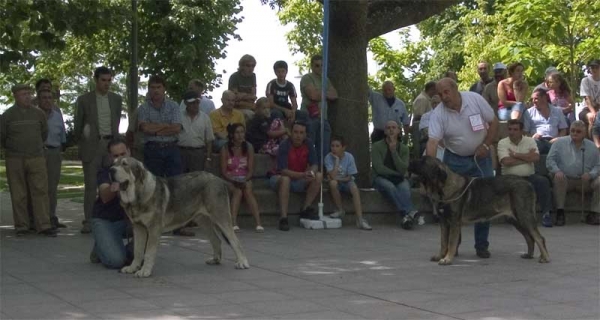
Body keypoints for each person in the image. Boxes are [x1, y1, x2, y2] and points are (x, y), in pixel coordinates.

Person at [426, 78, 499, 259]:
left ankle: (481, 245)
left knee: (485, 201)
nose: (443, 97)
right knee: (450, 205)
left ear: (455, 89)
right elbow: (433, 142)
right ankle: (453, 248)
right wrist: (429, 167)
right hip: (455, 160)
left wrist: (486, 145)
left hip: (480, 158)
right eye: (440, 94)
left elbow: (494, 122)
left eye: (446, 92)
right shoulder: (438, 113)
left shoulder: (474, 99)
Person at [138, 75, 193, 237]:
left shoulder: (174, 106)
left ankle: (179, 225)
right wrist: (163, 127)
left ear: (164, 89)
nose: (155, 91)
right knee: (152, 187)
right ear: (149, 89)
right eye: (152, 87)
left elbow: (176, 128)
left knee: (177, 187)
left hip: (171, 149)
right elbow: (145, 129)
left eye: (158, 87)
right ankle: (151, 224)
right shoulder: (143, 108)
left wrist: (156, 128)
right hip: (152, 149)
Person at [1, 84, 56, 237]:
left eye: (28, 93)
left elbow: (44, 133)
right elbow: (3, 137)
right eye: (23, 94)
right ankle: (22, 226)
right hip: (15, 159)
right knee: (19, 194)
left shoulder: (39, 114)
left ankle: (43, 225)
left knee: (40, 191)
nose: (27, 97)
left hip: (36, 157)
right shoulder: (7, 116)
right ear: (15, 96)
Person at [73, 66, 123, 234]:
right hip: (92, 146)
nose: (106, 84)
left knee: (114, 183)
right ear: (96, 80)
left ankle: (112, 218)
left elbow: (116, 122)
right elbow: (77, 126)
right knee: (91, 186)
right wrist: (83, 138)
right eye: (103, 80)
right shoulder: (84, 100)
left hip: (111, 146)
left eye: (109, 80)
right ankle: (88, 221)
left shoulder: (116, 99)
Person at [497, 120, 553, 227]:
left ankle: (547, 214)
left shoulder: (530, 141)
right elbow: (506, 162)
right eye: (510, 129)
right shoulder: (502, 143)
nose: (512, 132)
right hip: (510, 178)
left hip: (529, 176)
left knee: (543, 181)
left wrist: (515, 154)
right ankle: (511, 215)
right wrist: (527, 158)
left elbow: (536, 158)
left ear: (521, 131)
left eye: (515, 130)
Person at [269, 121, 323, 231]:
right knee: (285, 180)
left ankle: (305, 209)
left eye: (301, 133)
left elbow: (314, 165)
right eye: (296, 132)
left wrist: (311, 173)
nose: (298, 135)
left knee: (318, 176)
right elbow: (283, 170)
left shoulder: (308, 144)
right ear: (291, 133)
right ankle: (283, 217)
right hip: (279, 177)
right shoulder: (285, 145)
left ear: (305, 134)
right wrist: (303, 174)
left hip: (299, 178)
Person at [89, 138, 133, 268]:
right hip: (105, 220)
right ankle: (101, 247)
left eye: (123, 154)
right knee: (116, 261)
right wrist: (118, 181)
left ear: (129, 152)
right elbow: (105, 196)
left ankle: (107, 245)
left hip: (129, 221)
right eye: (116, 156)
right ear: (110, 157)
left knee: (142, 249)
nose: (120, 158)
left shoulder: (138, 170)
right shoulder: (105, 172)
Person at [547, 120, 600, 225]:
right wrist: (557, 170)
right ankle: (560, 212)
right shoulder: (559, 143)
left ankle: (594, 213)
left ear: (584, 133)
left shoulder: (592, 146)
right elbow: (550, 160)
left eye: (578, 131)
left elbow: (598, 165)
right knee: (558, 177)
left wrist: (591, 174)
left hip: (584, 181)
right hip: (565, 179)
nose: (575, 133)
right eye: (572, 131)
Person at [372, 120, 422, 230]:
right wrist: (397, 173)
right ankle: (408, 212)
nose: (391, 130)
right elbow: (379, 168)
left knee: (405, 188)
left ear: (398, 131)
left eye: (394, 127)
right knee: (390, 187)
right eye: (388, 128)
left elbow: (403, 168)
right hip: (381, 178)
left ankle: (405, 218)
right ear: (385, 131)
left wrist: (394, 151)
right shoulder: (376, 146)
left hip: (398, 178)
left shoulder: (404, 148)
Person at [220, 123, 263, 232]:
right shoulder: (225, 148)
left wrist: (244, 179)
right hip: (230, 178)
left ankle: (258, 223)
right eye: (237, 132)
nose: (240, 135)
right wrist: (233, 179)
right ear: (232, 135)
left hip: (245, 177)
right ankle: (233, 223)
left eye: (242, 132)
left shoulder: (248, 147)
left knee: (247, 190)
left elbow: (250, 170)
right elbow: (224, 171)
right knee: (237, 191)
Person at [325, 136, 372, 230]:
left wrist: (336, 178)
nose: (334, 148)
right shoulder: (328, 157)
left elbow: (349, 177)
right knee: (333, 183)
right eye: (332, 146)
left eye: (337, 146)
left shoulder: (349, 157)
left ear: (343, 147)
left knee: (354, 188)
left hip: (346, 182)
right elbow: (332, 176)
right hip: (336, 182)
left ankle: (360, 219)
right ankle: (340, 210)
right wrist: (337, 162)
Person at [38, 88, 67, 229]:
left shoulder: (57, 115)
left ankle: (51, 217)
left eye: (50, 98)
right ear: (38, 100)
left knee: (52, 188)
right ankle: (38, 219)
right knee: (38, 187)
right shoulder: (34, 115)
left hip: (54, 152)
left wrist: (60, 152)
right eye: (44, 98)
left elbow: (62, 136)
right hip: (38, 154)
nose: (47, 100)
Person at [300, 55, 338, 161]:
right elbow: (313, 95)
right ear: (312, 65)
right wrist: (326, 94)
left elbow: (335, 95)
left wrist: (320, 93)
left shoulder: (326, 79)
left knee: (324, 148)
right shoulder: (307, 78)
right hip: (310, 117)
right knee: (309, 145)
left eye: (322, 65)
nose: (320, 68)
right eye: (317, 65)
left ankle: (322, 172)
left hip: (323, 118)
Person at [178, 91, 214, 173]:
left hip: (198, 153)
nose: (195, 105)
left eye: (197, 102)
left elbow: (209, 140)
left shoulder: (205, 118)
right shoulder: (178, 116)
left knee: (196, 181)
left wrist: (208, 158)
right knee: (179, 180)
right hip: (181, 152)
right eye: (192, 103)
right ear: (186, 103)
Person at [526, 88, 568, 154]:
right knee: (536, 145)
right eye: (532, 99)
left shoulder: (557, 111)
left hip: (554, 140)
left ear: (544, 98)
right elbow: (525, 132)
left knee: (562, 145)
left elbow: (563, 129)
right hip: (537, 141)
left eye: (536, 98)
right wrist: (532, 137)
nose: (533, 101)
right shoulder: (529, 112)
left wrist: (558, 139)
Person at [228, 54, 258, 119]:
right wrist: (248, 96)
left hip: (250, 105)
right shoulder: (234, 77)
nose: (251, 68)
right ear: (242, 66)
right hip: (237, 107)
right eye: (248, 66)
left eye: (253, 66)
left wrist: (242, 95)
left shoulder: (253, 76)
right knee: (251, 115)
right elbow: (235, 97)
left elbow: (253, 96)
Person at [579, 59, 600, 139]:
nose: (594, 69)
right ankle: (591, 144)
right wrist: (594, 112)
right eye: (592, 67)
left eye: (596, 67)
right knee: (592, 117)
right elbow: (587, 99)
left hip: (599, 108)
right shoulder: (585, 80)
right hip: (586, 109)